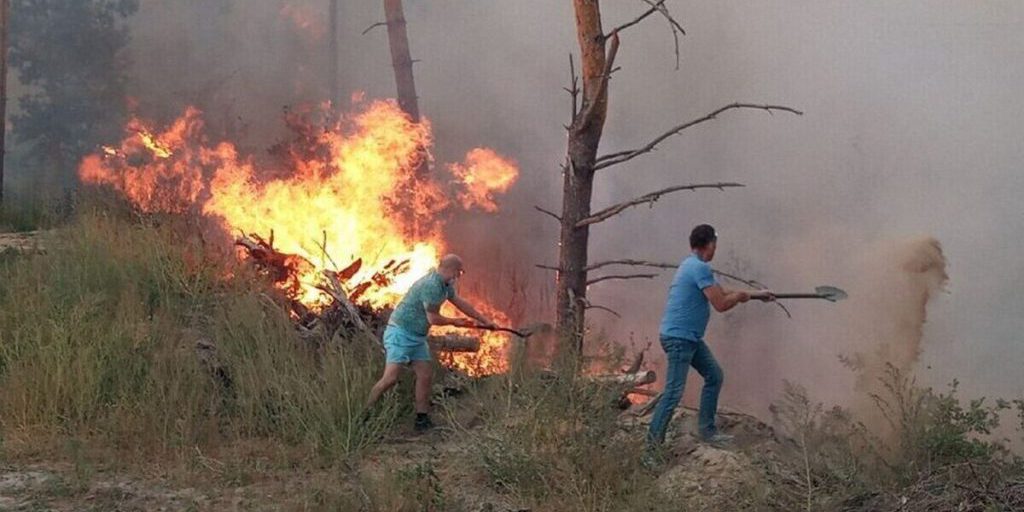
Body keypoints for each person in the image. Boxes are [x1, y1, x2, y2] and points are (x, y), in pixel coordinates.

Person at [646, 224, 773, 452]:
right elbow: (722, 303)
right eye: (715, 244)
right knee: (673, 393)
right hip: (679, 339)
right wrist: (740, 297)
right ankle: (651, 449)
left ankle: (707, 431)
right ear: (710, 245)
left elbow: (721, 290)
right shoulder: (699, 268)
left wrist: (756, 295)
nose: (716, 248)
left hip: (688, 338)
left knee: (714, 375)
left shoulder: (692, 265)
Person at [365, 254, 493, 432]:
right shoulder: (431, 286)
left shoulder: (445, 285)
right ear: (449, 269)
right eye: (459, 272)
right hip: (400, 334)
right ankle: (364, 415)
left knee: (425, 375)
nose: (458, 276)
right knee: (390, 379)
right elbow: (433, 318)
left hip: (417, 337)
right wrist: (455, 322)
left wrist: (484, 320)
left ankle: (421, 419)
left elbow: (460, 303)